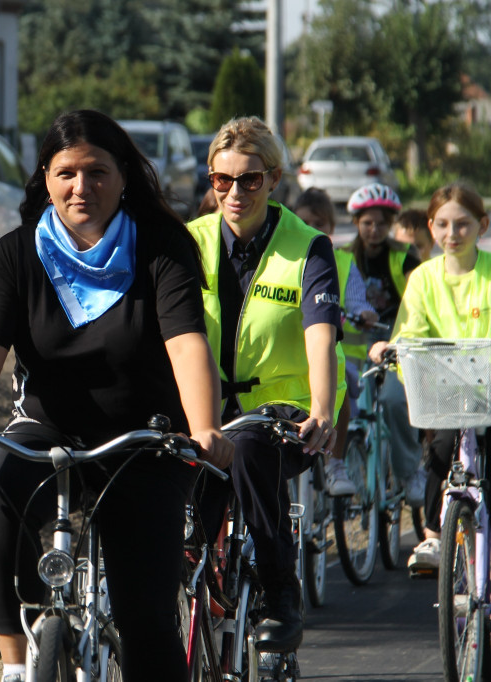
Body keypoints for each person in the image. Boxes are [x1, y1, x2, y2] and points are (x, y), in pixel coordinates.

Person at [0, 109, 234, 682]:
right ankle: (16, 663)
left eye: (97, 172)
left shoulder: (162, 247)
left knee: (147, 617)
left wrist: (204, 428)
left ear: (124, 176)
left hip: (144, 436)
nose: (81, 187)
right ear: (46, 177)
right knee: (0, 505)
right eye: (66, 173)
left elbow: (186, 344)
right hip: (48, 427)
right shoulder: (14, 253)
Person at [187, 116, 345, 654]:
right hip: (203, 410)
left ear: (273, 179)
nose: (234, 193)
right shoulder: (189, 241)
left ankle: (279, 588)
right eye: (221, 180)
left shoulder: (310, 247)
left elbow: (321, 336)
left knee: (252, 448)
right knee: (186, 502)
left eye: (249, 180)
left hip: (284, 412)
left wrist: (322, 409)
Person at [369, 182, 491, 573]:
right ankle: (433, 536)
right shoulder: (422, 278)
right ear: (430, 226)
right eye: (442, 225)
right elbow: (409, 331)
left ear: (482, 226)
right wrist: (389, 347)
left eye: (462, 224)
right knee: (440, 452)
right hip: (445, 390)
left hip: (488, 389)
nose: (451, 234)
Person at [343, 183, 426, 508]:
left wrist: (400, 339)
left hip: (395, 339)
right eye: (367, 223)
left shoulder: (405, 257)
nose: (374, 230)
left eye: (381, 223)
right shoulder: (343, 256)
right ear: (356, 224)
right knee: (344, 404)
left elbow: (419, 302)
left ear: (391, 223)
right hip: (354, 342)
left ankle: (408, 472)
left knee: (393, 400)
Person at [293, 187, 378, 496]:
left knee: (336, 385)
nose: (312, 228)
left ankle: (336, 464)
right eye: (304, 221)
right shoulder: (287, 258)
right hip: (293, 355)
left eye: (319, 222)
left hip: (334, 353)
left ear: (330, 226)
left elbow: (357, 301)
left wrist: (364, 313)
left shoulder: (342, 262)